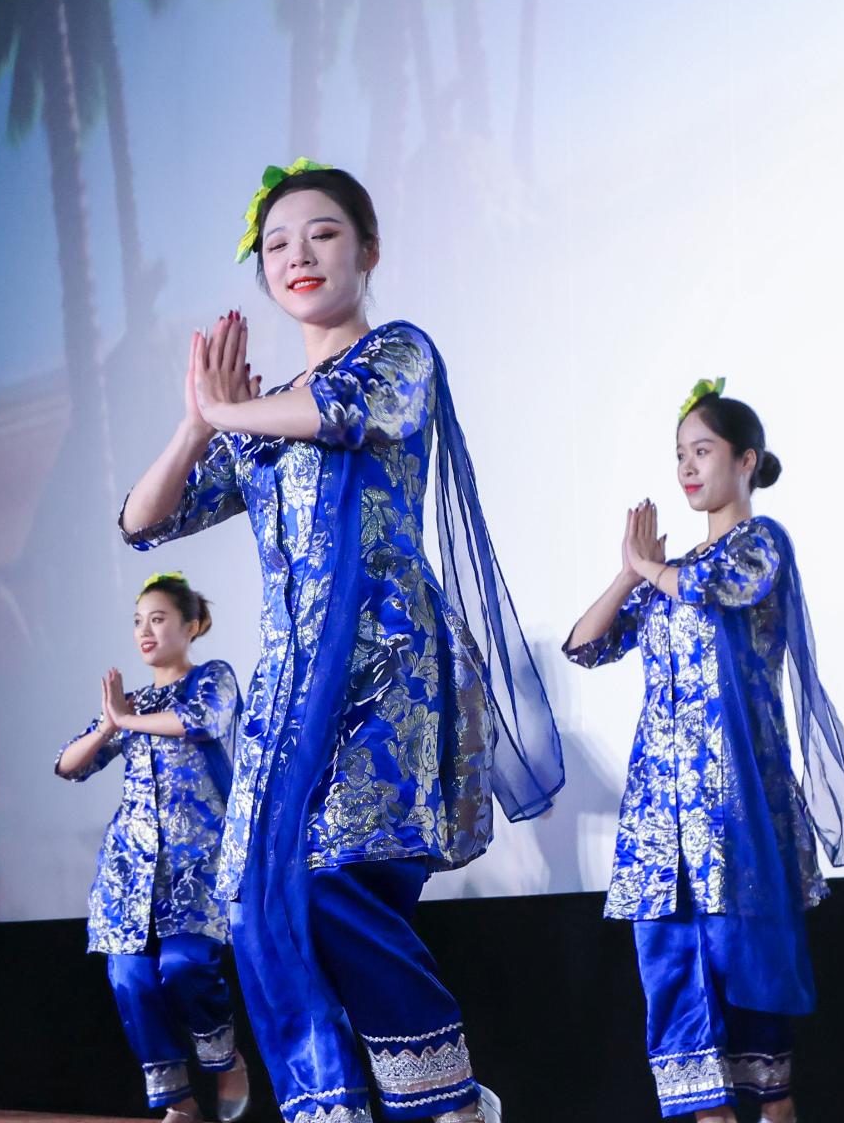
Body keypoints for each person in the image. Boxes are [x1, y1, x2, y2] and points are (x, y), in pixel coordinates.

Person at [118, 160, 564, 1123]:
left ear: (368, 250)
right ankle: (351, 1105)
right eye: (276, 245)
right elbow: (142, 522)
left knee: (330, 884)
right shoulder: (259, 416)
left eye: (321, 234)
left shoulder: (400, 354)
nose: (298, 256)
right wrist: (199, 422)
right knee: (268, 906)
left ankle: (444, 1100)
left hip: (387, 673)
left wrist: (233, 413)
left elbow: (351, 414)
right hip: (288, 696)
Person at [564, 381, 844, 1122]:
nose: (687, 469)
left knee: (756, 1025)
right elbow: (584, 645)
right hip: (659, 821)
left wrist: (656, 572)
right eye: (679, 456)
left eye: (702, 451)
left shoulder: (758, 548)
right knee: (676, 1006)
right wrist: (628, 568)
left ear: (746, 461)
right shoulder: (668, 576)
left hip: (735, 815)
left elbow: (712, 589)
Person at [55, 572, 248, 1122]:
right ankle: (178, 1104)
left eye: (158, 618)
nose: (144, 630)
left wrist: (127, 718)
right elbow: (69, 765)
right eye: (138, 620)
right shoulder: (133, 705)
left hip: (197, 862)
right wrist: (109, 724)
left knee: (187, 966)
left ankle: (225, 1061)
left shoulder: (212, 678)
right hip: (130, 868)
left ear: (191, 625)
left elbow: (201, 722)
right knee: (131, 980)